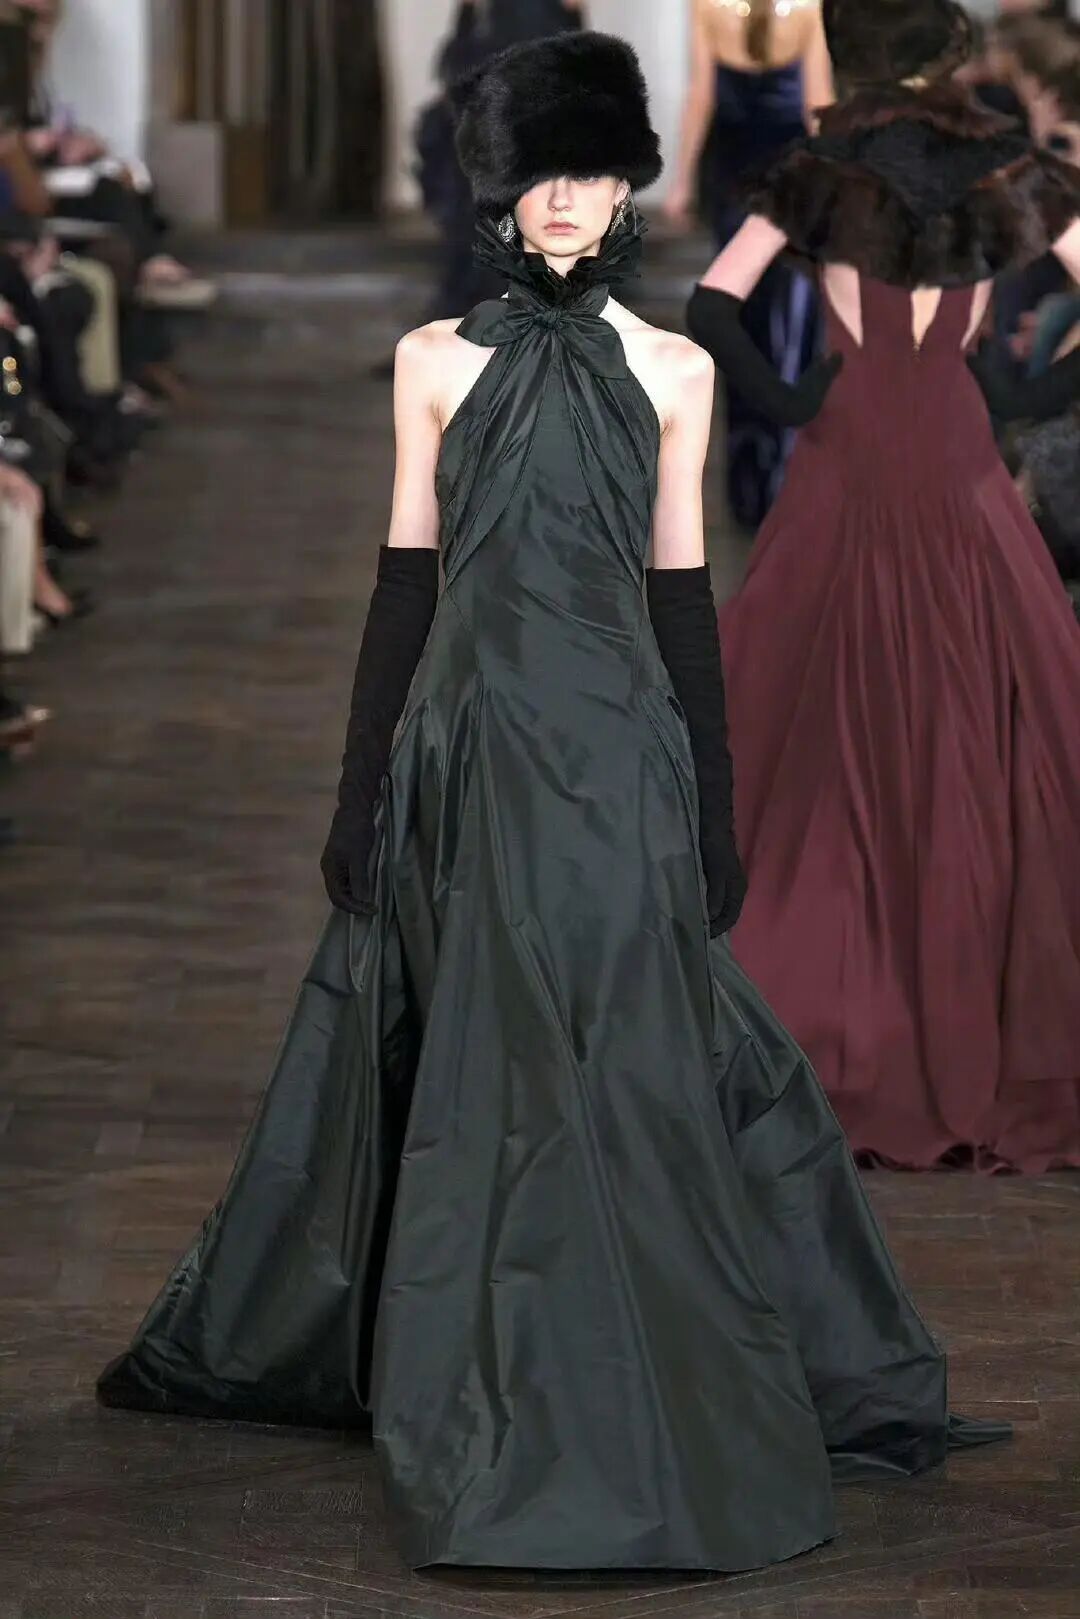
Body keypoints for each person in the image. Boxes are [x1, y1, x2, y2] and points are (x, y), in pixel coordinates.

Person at [98, 31, 1005, 1573]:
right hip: (470, 747)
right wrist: (360, 782)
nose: (566, 200)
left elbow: (681, 599)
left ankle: (628, 1353)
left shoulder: (678, 369)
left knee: (629, 1041)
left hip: (619, 750)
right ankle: (494, 1373)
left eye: (590, 172)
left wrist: (712, 804)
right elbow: (404, 581)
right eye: (540, 175)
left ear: (628, 185)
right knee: (494, 1052)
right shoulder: (431, 362)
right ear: (500, 191)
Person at [686, 0, 1080, 1172]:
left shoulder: (817, 177)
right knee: (993, 712)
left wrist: (789, 399)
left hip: (850, 450)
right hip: (957, 455)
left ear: (856, 60)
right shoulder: (1007, 170)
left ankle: (829, 1012)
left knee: (816, 722)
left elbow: (711, 302)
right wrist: (1022, 400)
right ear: (948, 57)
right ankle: (963, 1010)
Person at [664, 0, 833, 528]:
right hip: (793, 176)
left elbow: (702, 96)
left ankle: (748, 485)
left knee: (737, 317)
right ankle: (789, 478)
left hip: (733, 176)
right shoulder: (807, 6)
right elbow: (818, 104)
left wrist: (683, 180)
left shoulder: (707, 6)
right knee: (794, 320)